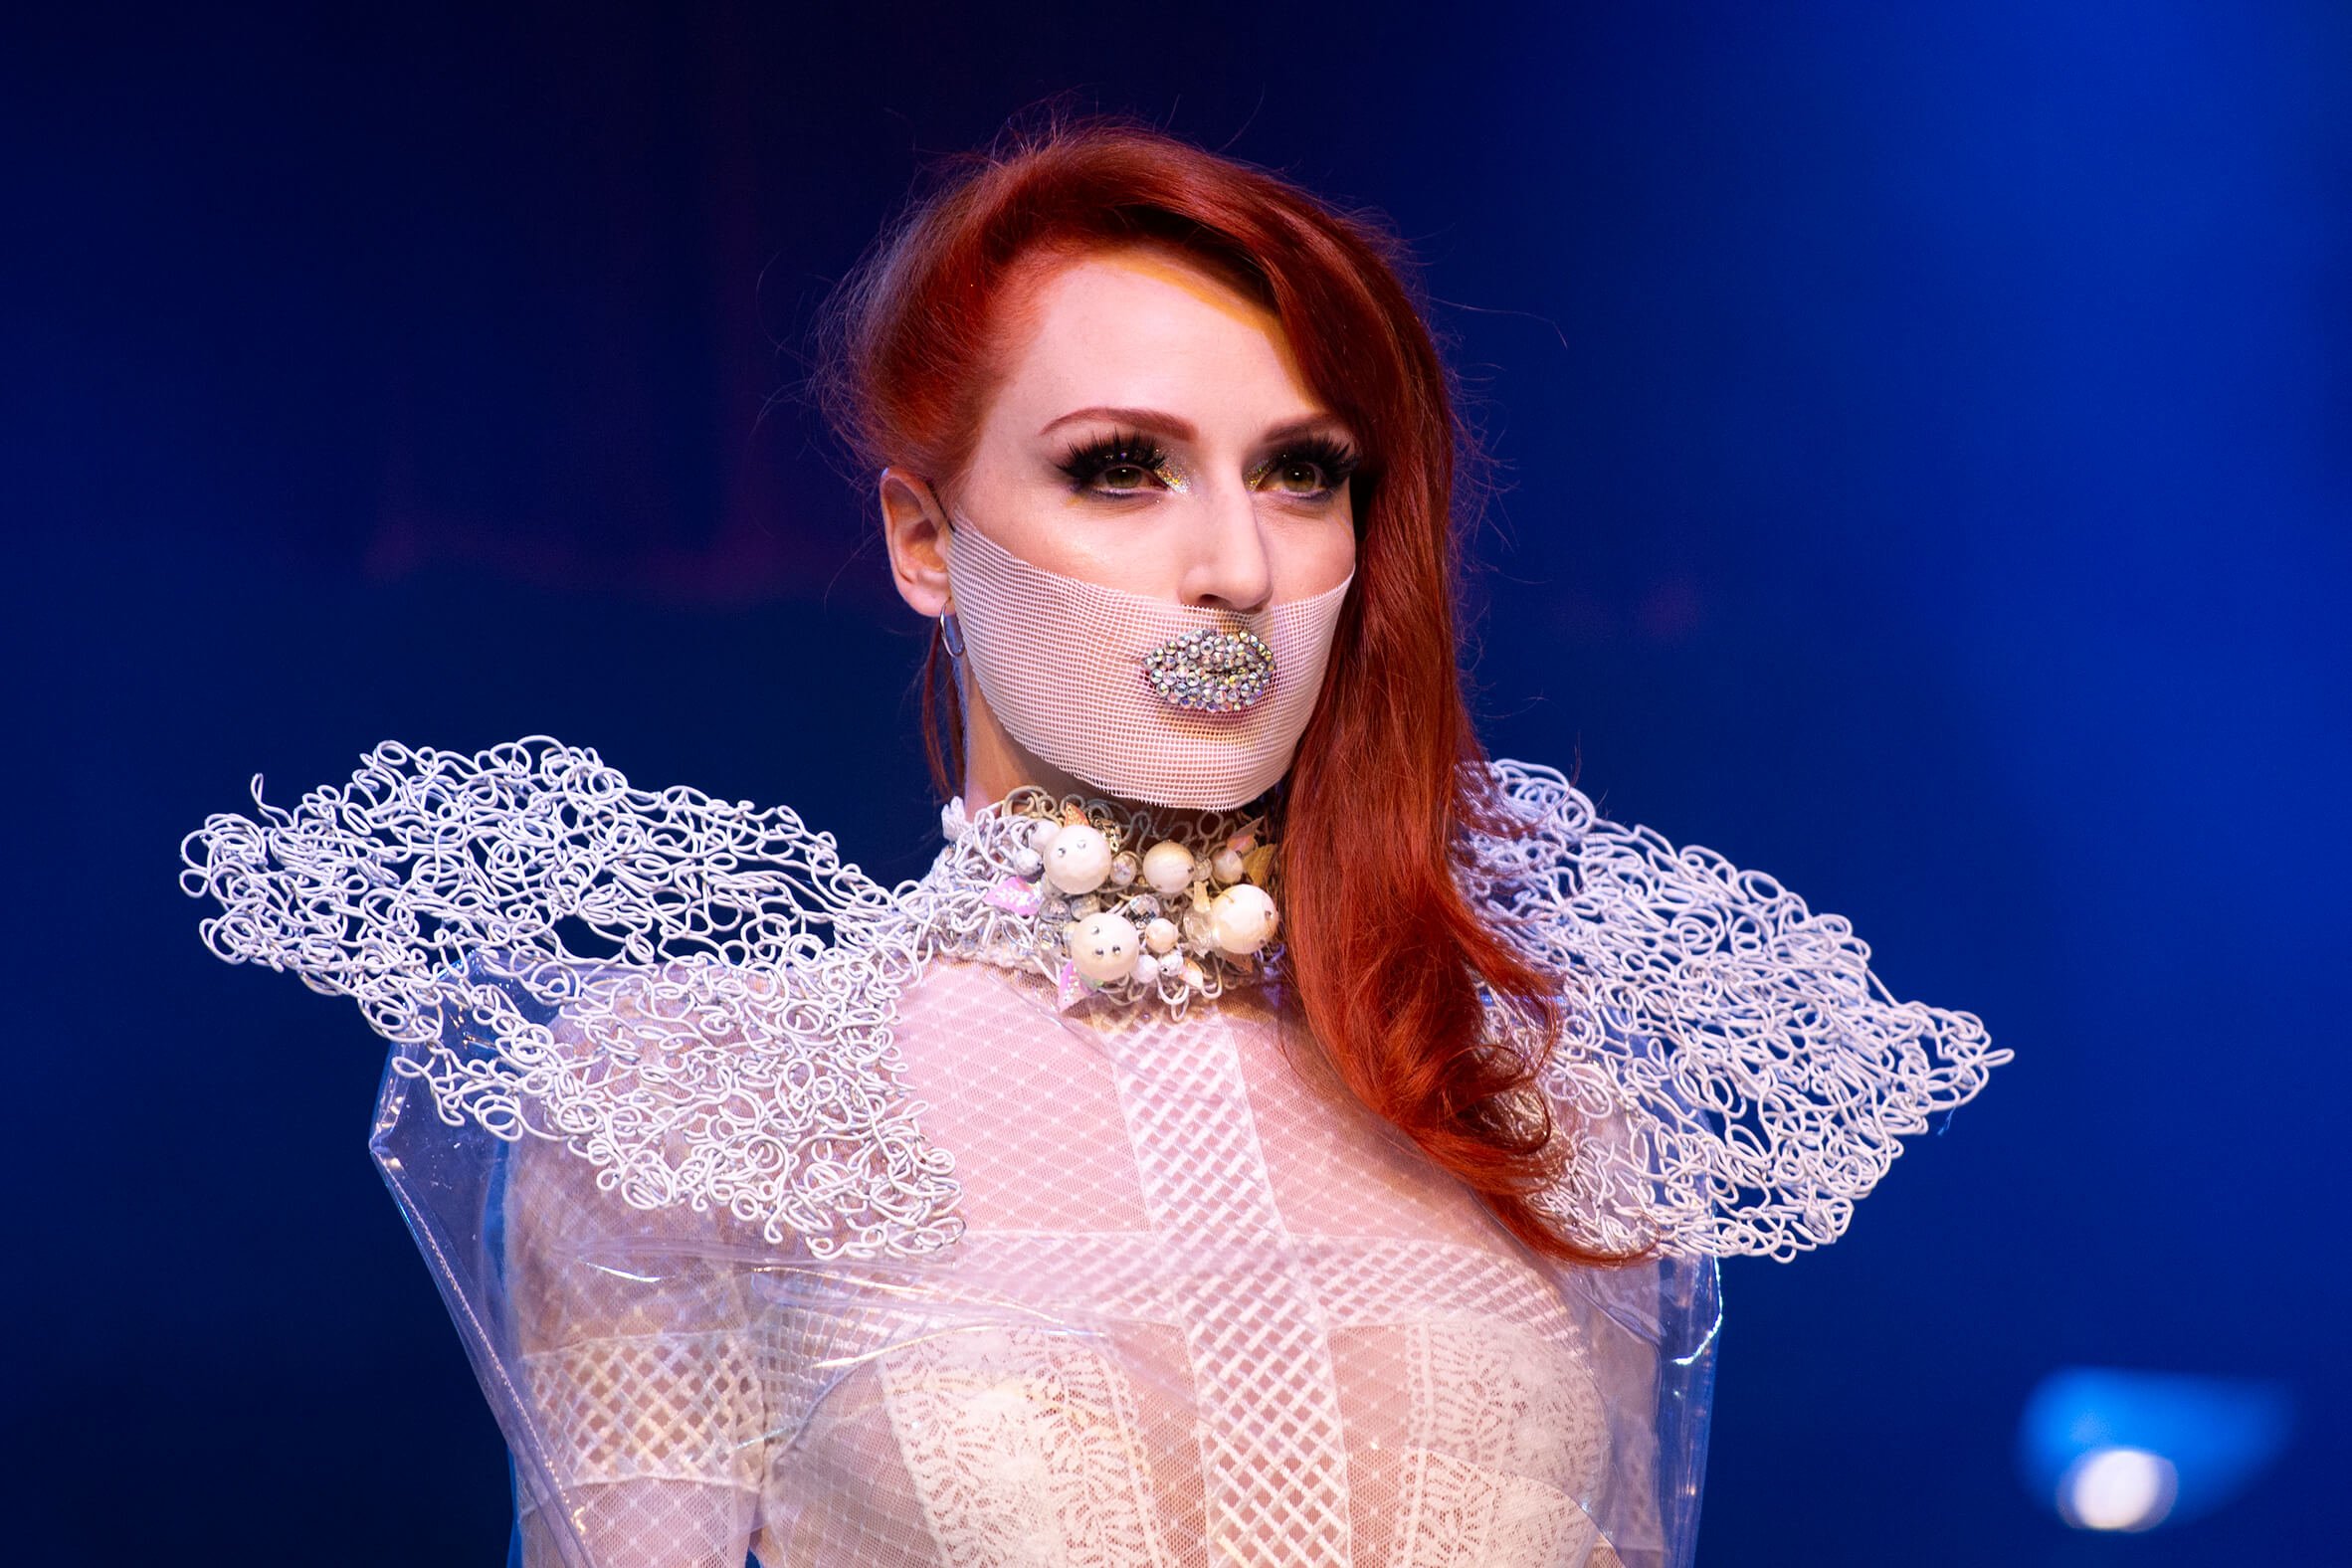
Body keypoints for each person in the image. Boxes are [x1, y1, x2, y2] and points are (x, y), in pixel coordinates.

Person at [179, 117, 2007, 1568]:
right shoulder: (704, 1101)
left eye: (1304, 469)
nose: (1232, 559)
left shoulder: (1530, 1089)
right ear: (921, 540)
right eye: (1121, 464)